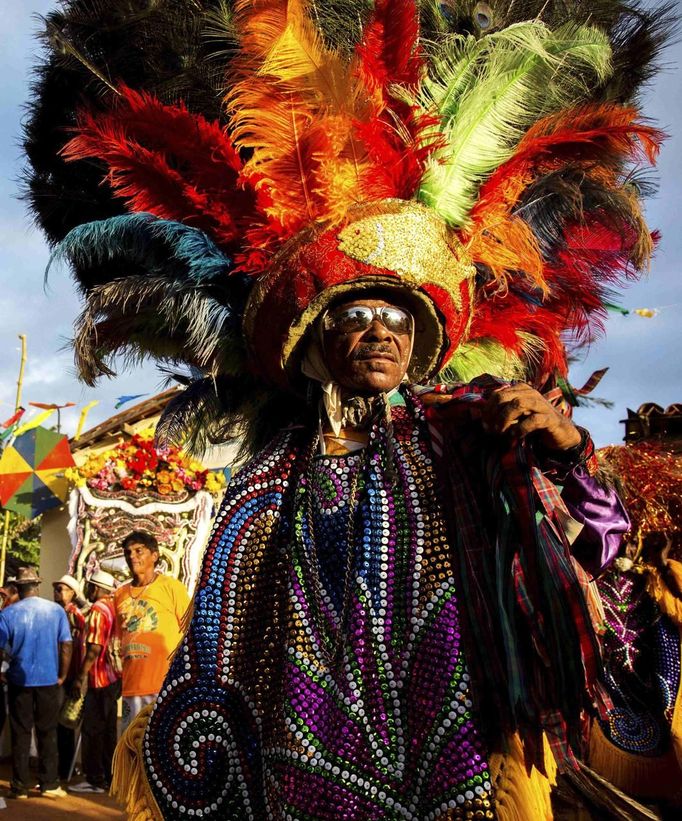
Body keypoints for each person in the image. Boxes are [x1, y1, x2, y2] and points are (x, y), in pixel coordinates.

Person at [27, 2, 669, 818]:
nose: (378, 335)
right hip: (298, 777)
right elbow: (222, 642)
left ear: (427, 339)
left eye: (399, 321)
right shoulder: (267, 482)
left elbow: (591, 562)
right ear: (315, 340)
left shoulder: (468, 439)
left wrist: (570, 455)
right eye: (356, 318)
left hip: (462, 768)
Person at [0, 566, 72, 800]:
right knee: (47, 731)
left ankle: (20, 786)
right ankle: (49, 783)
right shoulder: (56, 611)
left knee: (20, 732)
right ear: (37, 586)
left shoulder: (8, 614)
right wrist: (62, 675)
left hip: (19, 679)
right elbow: (66, 646)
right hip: (49, 679)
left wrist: (1, 672)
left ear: (18, 588)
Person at [114, 531, 189, 731]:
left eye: (139, 551)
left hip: (164, 687)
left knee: (162, 747)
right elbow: (119, 638)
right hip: (131, 687)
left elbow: (190, 631)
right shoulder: (120, 595)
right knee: (131, 749)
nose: (132, 556)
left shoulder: (171, 588)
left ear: (154, 555)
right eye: (128, 552)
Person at [69, 569, 121, 794]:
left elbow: (95, 648)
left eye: (90, 586)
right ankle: (109, 777)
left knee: (92, 729)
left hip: (100, 678)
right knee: (108, 730)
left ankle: (95, 779)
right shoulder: (113, 608)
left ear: (98, 589)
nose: (88, 590)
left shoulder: (99, 610)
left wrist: (80, 677)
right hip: (114, 678)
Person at [52, 573, 86, 782]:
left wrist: (77, 678)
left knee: (65, 722)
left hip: (70, 675)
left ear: (73, 593)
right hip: (59, 673)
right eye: (57, 589)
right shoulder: (57, 612)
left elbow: (81, 645)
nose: (58, 593)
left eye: (62, 589)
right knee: (59, 722)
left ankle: (65, 769)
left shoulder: (74, 614)